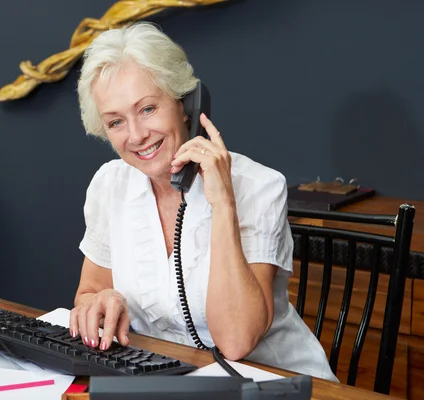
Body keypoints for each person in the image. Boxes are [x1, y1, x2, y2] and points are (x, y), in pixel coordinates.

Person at [69, 22, 338, 382]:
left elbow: (236, 342)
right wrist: (97, 304)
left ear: (185, 103)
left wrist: (223, 204)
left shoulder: (258, 187)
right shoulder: (110, 183)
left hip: (272, 383)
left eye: (148, 109)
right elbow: (90, 290)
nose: (136, 135)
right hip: (169, 380)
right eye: (116, 122)